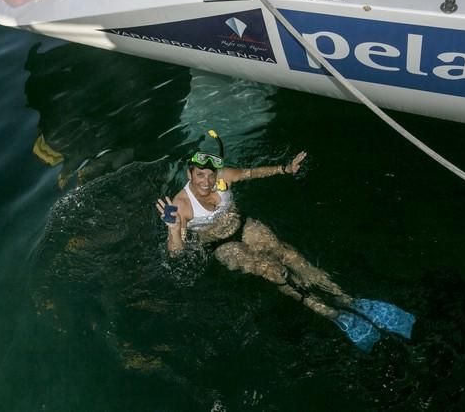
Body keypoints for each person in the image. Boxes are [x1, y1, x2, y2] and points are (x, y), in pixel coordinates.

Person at [155, 131, 415, 352]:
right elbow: (176, 254)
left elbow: (251, 173)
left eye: (210, 175)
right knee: (274, 270)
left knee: (293, 257)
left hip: (244, 226)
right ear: (190, 174)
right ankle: (332, 314)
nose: (207, 181)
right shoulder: (181, 206)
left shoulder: (223, 177)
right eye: (200, 175)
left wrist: (284, 169)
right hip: (221, 245)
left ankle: (348, 300)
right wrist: (173, 229)